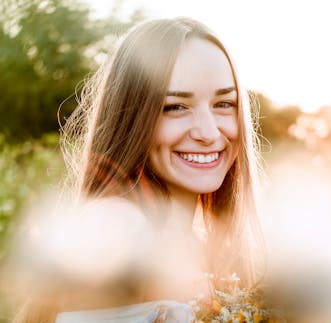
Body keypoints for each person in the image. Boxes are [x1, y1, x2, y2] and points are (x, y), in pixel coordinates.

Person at [12, 17, 264, 322]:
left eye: (224, 103)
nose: (209, 132)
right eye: (175, 107)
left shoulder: (210, 246)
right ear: (132, 117)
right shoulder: (115, 236)